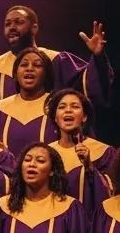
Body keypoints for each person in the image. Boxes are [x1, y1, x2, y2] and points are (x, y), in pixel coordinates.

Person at [0, 5, 113, 106]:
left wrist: (98, 57)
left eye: (18, 22)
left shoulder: (57, 60)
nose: (12, 27)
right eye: (7, 24)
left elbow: (90, 85)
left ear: (34, 28)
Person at [46, 88, 115, 216]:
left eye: (75, 106)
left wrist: (90, 168)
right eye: (62, 107)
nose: (68, 110)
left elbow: (112, 196)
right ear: (55, 118)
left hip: (89, 224)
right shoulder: (46, 153)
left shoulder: (104, 153)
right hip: (53, 224)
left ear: (84, 117)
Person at [0, 47, 57, 157]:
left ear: (46, 74)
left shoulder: (56, 106)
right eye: (24, 65)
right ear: (15, 74)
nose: (29, 69)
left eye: (37, 65)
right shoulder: (0, 108)